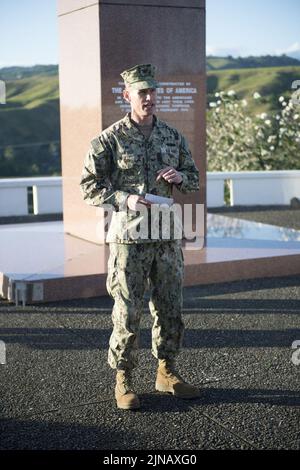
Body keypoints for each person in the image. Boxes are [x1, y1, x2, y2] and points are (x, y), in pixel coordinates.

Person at [80, 64, 200, 410]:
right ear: (127, 95)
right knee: (127, 311)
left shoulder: (172, 136)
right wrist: (124, 198)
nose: (149, 98)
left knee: (170, 308)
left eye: (152, 92)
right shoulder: (109, 139)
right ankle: (124, 378)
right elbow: (89, 186)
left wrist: (180, 177)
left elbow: (192, 178)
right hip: (129, 240)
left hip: (165, 238)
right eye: (142, 92)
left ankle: (167, 371)